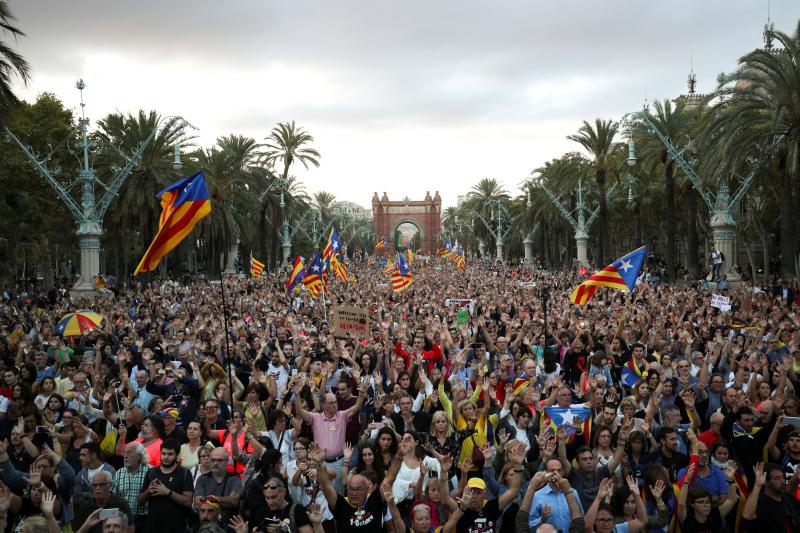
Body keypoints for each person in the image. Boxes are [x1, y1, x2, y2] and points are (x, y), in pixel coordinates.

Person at [137, 439, 194, 533]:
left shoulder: (184, 473)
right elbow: (139, 501)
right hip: (153, 527)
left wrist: (167, 492)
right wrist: (148, 491)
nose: (166, 457)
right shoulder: (151, 472)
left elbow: (188, 501)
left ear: (177, 455)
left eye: (170, 454)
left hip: (176, 528)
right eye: (163, 453)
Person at [527, 457, 584, 532]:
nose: (556, 474)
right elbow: (530, 524)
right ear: (546, 473)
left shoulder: (572, 492)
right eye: (552, 471)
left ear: (563, 472)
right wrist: (542, 519)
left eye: (559, 470)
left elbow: (580, 517)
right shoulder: (537, 495)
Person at [250, 476, 319, 533]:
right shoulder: (261, 513)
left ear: (284, 492)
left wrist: (283, 531)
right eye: (267, 498)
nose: (270, 502)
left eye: (274, 497)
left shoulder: (297, 510)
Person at [193, 447, 242, 525]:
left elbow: (234, 501)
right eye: (213, 460)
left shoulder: (234, 478)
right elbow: (199, 503)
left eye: (219, 460)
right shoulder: (202, 479)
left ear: (227, 461)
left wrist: (212, 499)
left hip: (228, 526)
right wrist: (225, 500)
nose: (215, 463)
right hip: (206, 524)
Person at [111, 441, 150, 531]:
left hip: (145, 521)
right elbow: (113, 497)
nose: (125, 456)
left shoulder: (150, 471)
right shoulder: (119, 473)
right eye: (124, 452)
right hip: (124, 522)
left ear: (140, 456)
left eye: (129, 452)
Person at [73, 442, 116, 509]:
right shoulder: (80, 474)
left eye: (83, 455)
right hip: (87, 512)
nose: (80, 458)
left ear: (93, 455)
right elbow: (76, 498)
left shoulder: (110, 471)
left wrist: (87, 494)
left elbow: (109, 496)